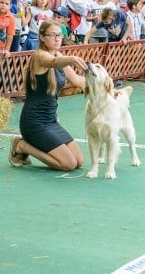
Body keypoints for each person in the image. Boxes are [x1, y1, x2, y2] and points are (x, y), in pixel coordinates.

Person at [9, 21, 89, 171]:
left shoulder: (59, 55)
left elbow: (78, 81)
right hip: (34, 122)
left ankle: (26, 146)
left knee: (79, 161)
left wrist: (103, 84)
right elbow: (52, 62)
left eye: (59, 35)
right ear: (42, 37)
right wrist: (71, 59)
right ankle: (22, 146)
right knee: (68, 164)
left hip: (50, 121)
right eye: (52, 35)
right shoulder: (39, 56)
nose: (57, 38)